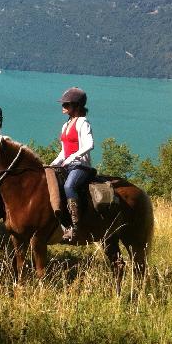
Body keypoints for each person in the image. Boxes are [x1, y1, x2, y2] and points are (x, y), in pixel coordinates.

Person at [50, 87, 95, 244]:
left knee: (69, 187)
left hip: (81, 166)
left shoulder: (83, 123)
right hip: (68, 165)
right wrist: (52, 164)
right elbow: (63, 151)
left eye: (67, 104)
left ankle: (75, 227)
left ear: (77, 106)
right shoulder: (66, 125)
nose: (63, 107)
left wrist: (72, 158)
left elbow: (89, 144)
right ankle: (61, 224)